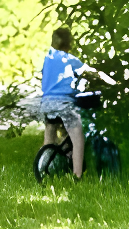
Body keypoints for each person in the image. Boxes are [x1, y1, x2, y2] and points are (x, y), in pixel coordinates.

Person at [39, 27, 109, 179]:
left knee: (50, 138)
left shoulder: (47, 58)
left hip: (46, 103)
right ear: (68, 43)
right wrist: (108, 80)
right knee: (78, 137)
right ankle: (77, 176)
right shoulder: (69, 59)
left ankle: (42, 167)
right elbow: (90, 72)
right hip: (64, 103)